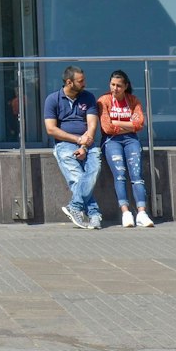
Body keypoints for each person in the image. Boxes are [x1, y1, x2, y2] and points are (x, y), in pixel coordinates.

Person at [44, 65, 102, 229]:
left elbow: (92, 124)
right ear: (69, 82)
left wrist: (84, 145)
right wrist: (77, 140)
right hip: (65, 144)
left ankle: (75, 207)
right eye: (80, 81)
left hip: (88, 143)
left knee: (94, 169)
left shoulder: (88, 97)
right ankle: (94, 214)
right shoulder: (52, 99)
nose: (84, 83)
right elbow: (51, 129)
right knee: (78, 178)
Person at [99, 69, 154, 228]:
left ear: (125, 86)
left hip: (131, 141)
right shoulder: (104, 100)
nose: (115, 88)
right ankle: (126, 212)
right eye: (112, 85)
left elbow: (139, 124)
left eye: (118, 86)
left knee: (136, 174)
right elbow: (107, 127)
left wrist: (117, 123)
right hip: (111, 141)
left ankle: (142, 213)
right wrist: (128, 126)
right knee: (120, 174)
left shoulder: (133, 100)